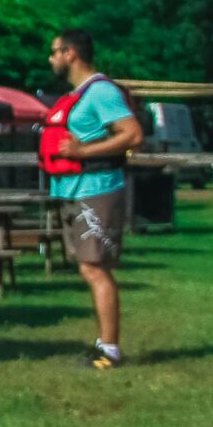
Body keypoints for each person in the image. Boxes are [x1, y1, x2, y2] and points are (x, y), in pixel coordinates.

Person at [43, 27, 143, 370]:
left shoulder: (101, 91)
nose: (51, 58)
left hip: (97, 188)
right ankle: (103, 344)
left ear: (71, 53)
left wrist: (82, 150)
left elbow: (132, 134)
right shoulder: (79, 93)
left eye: (55, 51)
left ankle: (110, 351)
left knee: (95, 267)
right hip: (75, 190)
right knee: (89, 268)